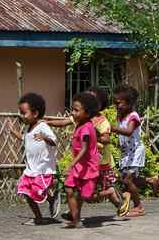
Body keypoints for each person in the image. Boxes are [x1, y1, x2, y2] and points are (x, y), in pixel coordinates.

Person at [48, 88, 130, 217]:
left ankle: (116, 199)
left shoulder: (102, 121)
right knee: (82, 188)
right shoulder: (81, 116)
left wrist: (93, 134)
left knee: (92, 193)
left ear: (99, 105)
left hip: (100, 162)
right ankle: (75, 213)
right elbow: (64, 122)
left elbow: (106, 139)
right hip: (85, 162)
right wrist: (47, 123)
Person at [111, 85, 159, 218]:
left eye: (119, 103)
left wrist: (112, 128)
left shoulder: (133, 116)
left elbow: (128, 131)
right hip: (126, 153)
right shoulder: (120, 116)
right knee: (127, 179)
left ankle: (139, 207)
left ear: (129, 102)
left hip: (135, 152)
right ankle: (151, 180)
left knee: (128, 180)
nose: (117, 106)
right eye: (115, 103)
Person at [14, 93, 60, 225]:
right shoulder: (28, 129)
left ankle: (51, 199)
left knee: (37, 191)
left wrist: (45, 137)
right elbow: (26, 139)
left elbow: (54, 141)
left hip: (43, 169)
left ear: (35, 113)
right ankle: (38, 217)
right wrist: (15, 133)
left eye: (24, 113)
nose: (21, 116)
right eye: (20, 113)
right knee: (25, 191)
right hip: (30, 170)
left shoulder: (43, 126)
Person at [63, 91, 101, 228]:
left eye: (76, 110)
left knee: (86, 196)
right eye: (72, 109)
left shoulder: (86, 128)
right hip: (79, 166)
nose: (72, 112)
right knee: (69, 189)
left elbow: (84, 149)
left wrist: (70, 165)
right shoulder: (80, 124)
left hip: (88, 166)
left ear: (87, 113)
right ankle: (76, 220)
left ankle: (109, 192)